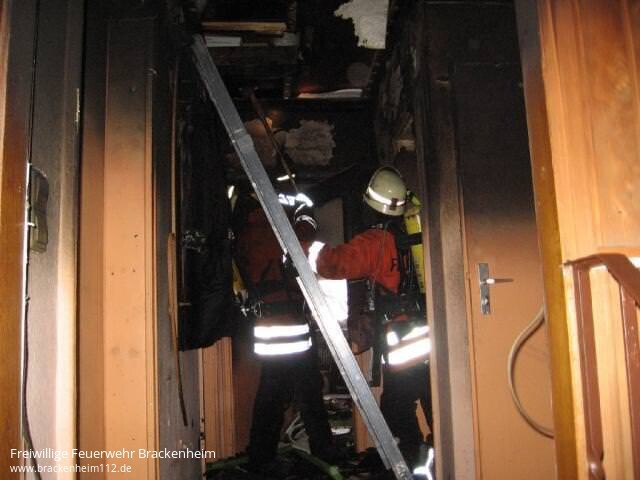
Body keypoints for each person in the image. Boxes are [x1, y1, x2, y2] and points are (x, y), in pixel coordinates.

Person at [306, 166, 433, 470]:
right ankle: (429, 454)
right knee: (427, 394)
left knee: (396, 404)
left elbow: (333, 265)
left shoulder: (376, 241)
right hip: (424, 328)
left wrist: (307, 243)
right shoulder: (415, 231)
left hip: (402, 335)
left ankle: (411, 462)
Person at [233, 195, 335, 475]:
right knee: (306, 393)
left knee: (272, 394)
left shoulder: (246, 233)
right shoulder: (271, 232)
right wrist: (304, 215)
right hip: (288, 328)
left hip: (269, 327)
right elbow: (303, 235)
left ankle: (261, 455)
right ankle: (323, 452)